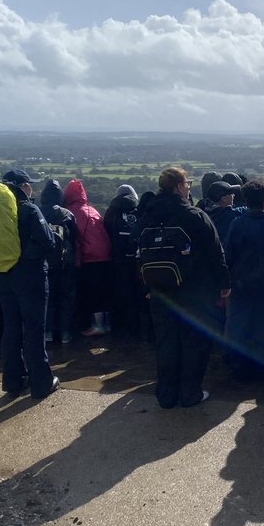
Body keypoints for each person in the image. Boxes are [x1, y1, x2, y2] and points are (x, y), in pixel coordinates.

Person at [138, 167, 230, 409]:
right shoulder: (194, 216)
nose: (189, 187)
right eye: (187, 184)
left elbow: (140, 252)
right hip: (194, 289)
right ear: (179, 186)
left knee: (166, 342)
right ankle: (190, 393)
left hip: (159, 288)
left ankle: (166, 395)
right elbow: (215, 252)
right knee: (193, 342)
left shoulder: (148, 214)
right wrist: (224, 284)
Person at [0, 170, 59, 401]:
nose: (31, 188)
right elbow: (48, 242)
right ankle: (41, 383)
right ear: (22, 186)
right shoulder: (28, 209)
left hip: (1, 274)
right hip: (29, 275)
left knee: (10, 327)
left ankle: (13, 381)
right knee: (33, 328)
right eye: (29, 184)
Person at [223, 180, 264, 381]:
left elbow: (229, 255)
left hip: (241, 284)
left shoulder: (237, 224)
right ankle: (260, 368)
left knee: (237, 325)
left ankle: (237, 367)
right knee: (262, 326)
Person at [63, 179, 112, 336]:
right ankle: (107, 324)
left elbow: (75, 239)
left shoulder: (71, 212)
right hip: (105, 255)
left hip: (89, 257)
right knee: (104, 291)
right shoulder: (93, 210)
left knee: (92, 293)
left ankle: (97, 326)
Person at [39, 181, 78, 345]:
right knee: (66, 297)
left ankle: (47, 333)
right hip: (65, 262)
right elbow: (74, 238)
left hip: (44, 262)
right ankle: (65, 333)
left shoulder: (37, 212)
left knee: (47, 298)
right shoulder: (67, 214)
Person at [103, 184, 142, 337]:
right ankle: (140, 328)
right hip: (138, 259)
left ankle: (124, 328)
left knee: (122, 292)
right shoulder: (139, 210)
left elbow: (105, 233)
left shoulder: (111, 212)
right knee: (139, 293)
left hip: (118, 260)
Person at [206, 181, 242, 246]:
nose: (233, 195)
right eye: (231, 194)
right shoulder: (231, 214)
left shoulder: (205, 213)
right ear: (224, 199)